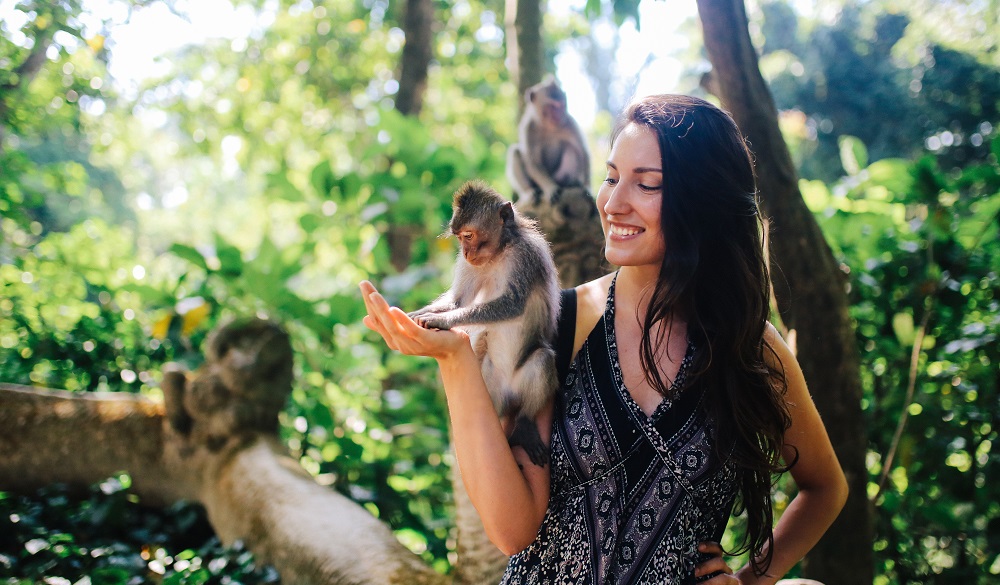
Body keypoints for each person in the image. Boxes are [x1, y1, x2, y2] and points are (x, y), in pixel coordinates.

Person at [360, 94, 848, 584]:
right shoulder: (562, 322)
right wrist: (455, 361)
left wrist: (752, 580)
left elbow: (825, 488)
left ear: (705, 201)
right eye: (611, 177)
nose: (614, 204)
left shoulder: (747, 344)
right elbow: (512, 530)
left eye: (647, 184)